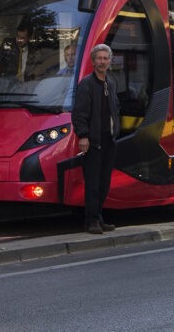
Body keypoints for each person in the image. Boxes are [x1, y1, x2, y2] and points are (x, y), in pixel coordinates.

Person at [71, 44, 120, 234]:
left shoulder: (111, 82)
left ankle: (98, 217)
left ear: (110, 61)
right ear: (93, 61)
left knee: (104, 184)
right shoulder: (86, 84)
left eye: (105, 58)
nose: (102, 62)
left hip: (109, 141)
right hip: (93, 141)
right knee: (92, 183)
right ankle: (91, 221)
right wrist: (83, 135)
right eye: (99, 58)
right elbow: (79, 113)